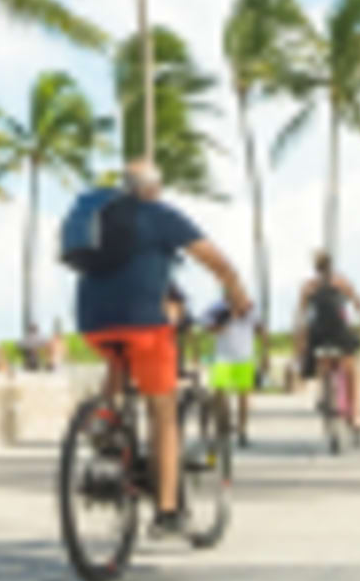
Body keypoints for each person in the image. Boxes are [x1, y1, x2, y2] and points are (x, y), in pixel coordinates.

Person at [68, 158, 253, 530]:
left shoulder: (101, 219)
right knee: (162, 412)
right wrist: (237, 295)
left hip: (92, 322)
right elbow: (216, 263)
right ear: (153, 188)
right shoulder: (162, 216)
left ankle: (105, 421)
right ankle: (167, 511)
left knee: (118, 357)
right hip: (144, 325)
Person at [296, 252, 360, 439]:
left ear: (315, 267)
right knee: (352, 369)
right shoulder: (341, 282)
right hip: (340, 332)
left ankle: (323, 393)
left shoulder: (308, 286)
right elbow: (359, 306)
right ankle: (356, 415)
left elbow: (301, 317)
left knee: (322, 362)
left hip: (318, 335)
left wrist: (299, 343)